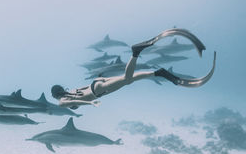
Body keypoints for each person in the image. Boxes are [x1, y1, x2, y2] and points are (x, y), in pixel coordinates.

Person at [51, 28, 216, 109]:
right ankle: (157, 72)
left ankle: (135, 52)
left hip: (98, 90)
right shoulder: (70, 90)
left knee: (127, 79)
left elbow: (75, 101)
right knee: (132, 78)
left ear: (55, 96)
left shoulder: (61, 102)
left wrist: (92, 103)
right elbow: (78, 95)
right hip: (97, 82)